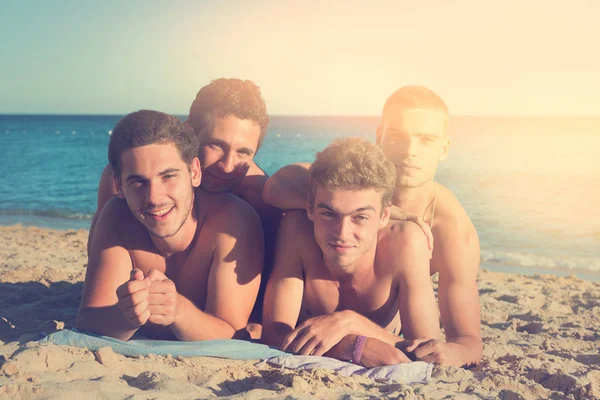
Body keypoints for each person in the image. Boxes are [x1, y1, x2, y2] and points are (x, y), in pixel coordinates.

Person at [262, 86, 482, 367]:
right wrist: (396, 213)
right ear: (379, 137)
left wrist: (452, 353)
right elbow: (274, 187)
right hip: (296, 303)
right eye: (398, 137)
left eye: (426, 140)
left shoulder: (450, 230)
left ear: (444, 148)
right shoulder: (347, 180)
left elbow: (467, 341)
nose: (410, 151)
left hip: (387, 328)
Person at [87, 78, 279, 328]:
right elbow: (100, 254)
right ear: (190, 133)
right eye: (215, 145)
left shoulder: (259, 197)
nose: (228, 166)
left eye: (244, 152)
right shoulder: (121, 183)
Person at [262, 138, 440, 367]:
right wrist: (352, 346)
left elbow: (428, 351)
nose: (342, 233)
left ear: (384, 216)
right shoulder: (297, 229)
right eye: (329, 214)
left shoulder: (405, 242)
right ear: (310, 208)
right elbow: (274, 334)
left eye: (360, 217)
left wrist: (350, 323)